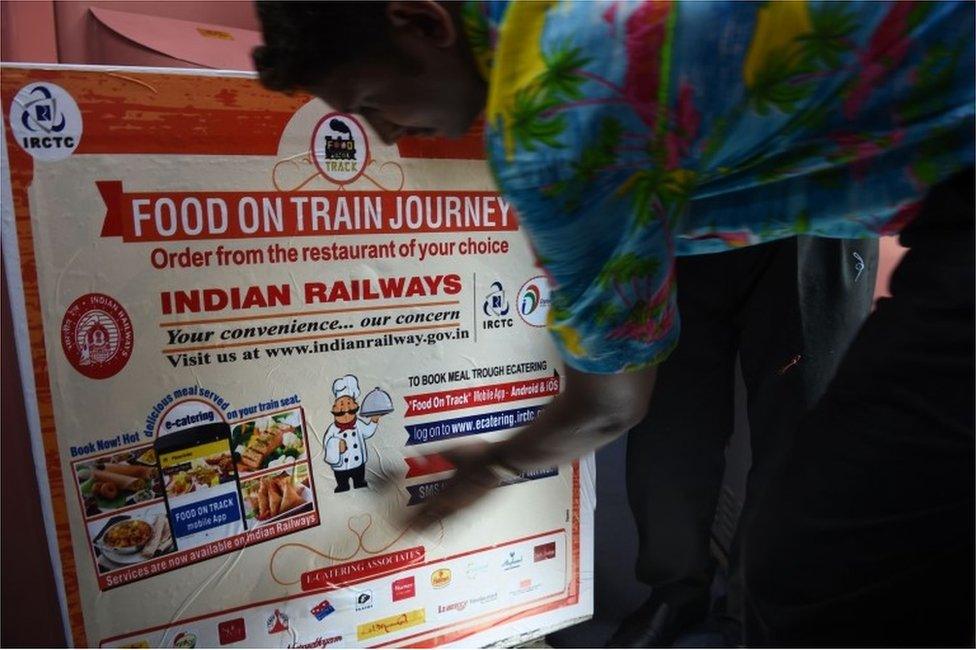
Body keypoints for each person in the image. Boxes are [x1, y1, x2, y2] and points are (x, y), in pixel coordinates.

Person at [253, 1, 974, 645]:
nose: (381, 135)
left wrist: (486, 468)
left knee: (825, 565)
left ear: (424, 22)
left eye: (373, 102)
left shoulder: (548, 123)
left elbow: (610, 405)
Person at [613, 235, 877, 647]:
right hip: (689, 197)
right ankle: (675, 589)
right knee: (669, 422)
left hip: (815, 204)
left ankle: (756, 610)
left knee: (802, 433)